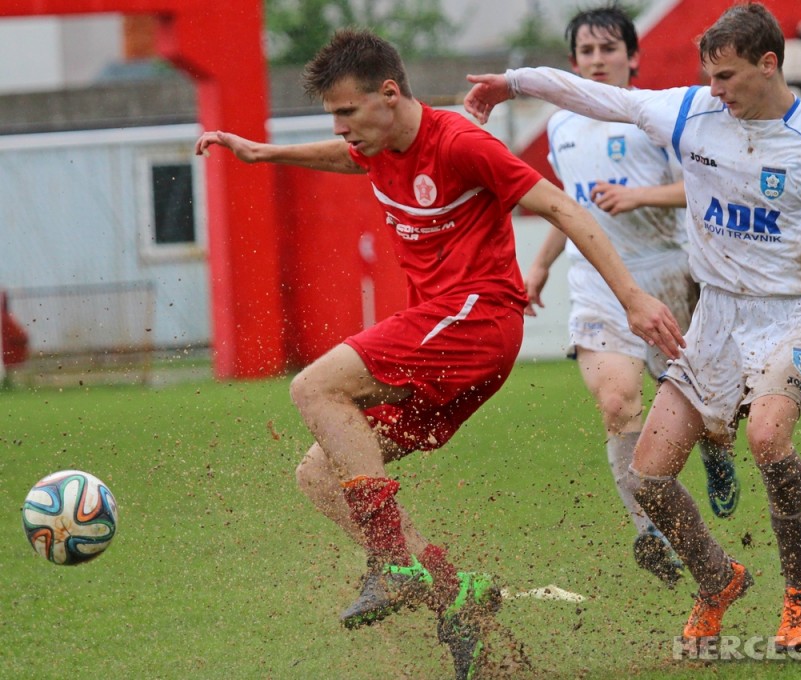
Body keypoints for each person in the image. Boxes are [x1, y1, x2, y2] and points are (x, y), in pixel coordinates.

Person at [195, 28, 683, 678]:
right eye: (333, 117)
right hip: (444, 337)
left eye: (347, 113)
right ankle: (457, 597)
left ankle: (395, 562)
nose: (341, 129)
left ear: (389, 95)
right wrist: (261, 153)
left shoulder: (458, 142)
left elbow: (563, 208)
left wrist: (632, 298)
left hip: (476, 322)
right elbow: (350, 159)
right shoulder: (375, 144)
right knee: (317, 476)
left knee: (314, 387)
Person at [464, 1, 801, 651]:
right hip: (715, 316)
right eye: (708, 76)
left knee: (766, 434)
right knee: (648, 475)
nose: (714, 91)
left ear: (769, 64)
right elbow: (592, 95)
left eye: (727, 77)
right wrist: (512, 83)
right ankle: (716, 578)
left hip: (795, 313)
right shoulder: (691, 111)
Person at [524, 4, 740, 590]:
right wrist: (540, 266)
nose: (597, 60)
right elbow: (565, 205)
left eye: (608, 50)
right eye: (587, 53)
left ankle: (718, 445)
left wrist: (641, 195)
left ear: (632, 57)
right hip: (594, 282)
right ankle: (651, 527)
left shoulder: (657, 118)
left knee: (707, 411)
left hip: (667, 276)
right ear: (574, 62)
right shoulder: (561, 125)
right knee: (617, 403)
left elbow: (704, 188)